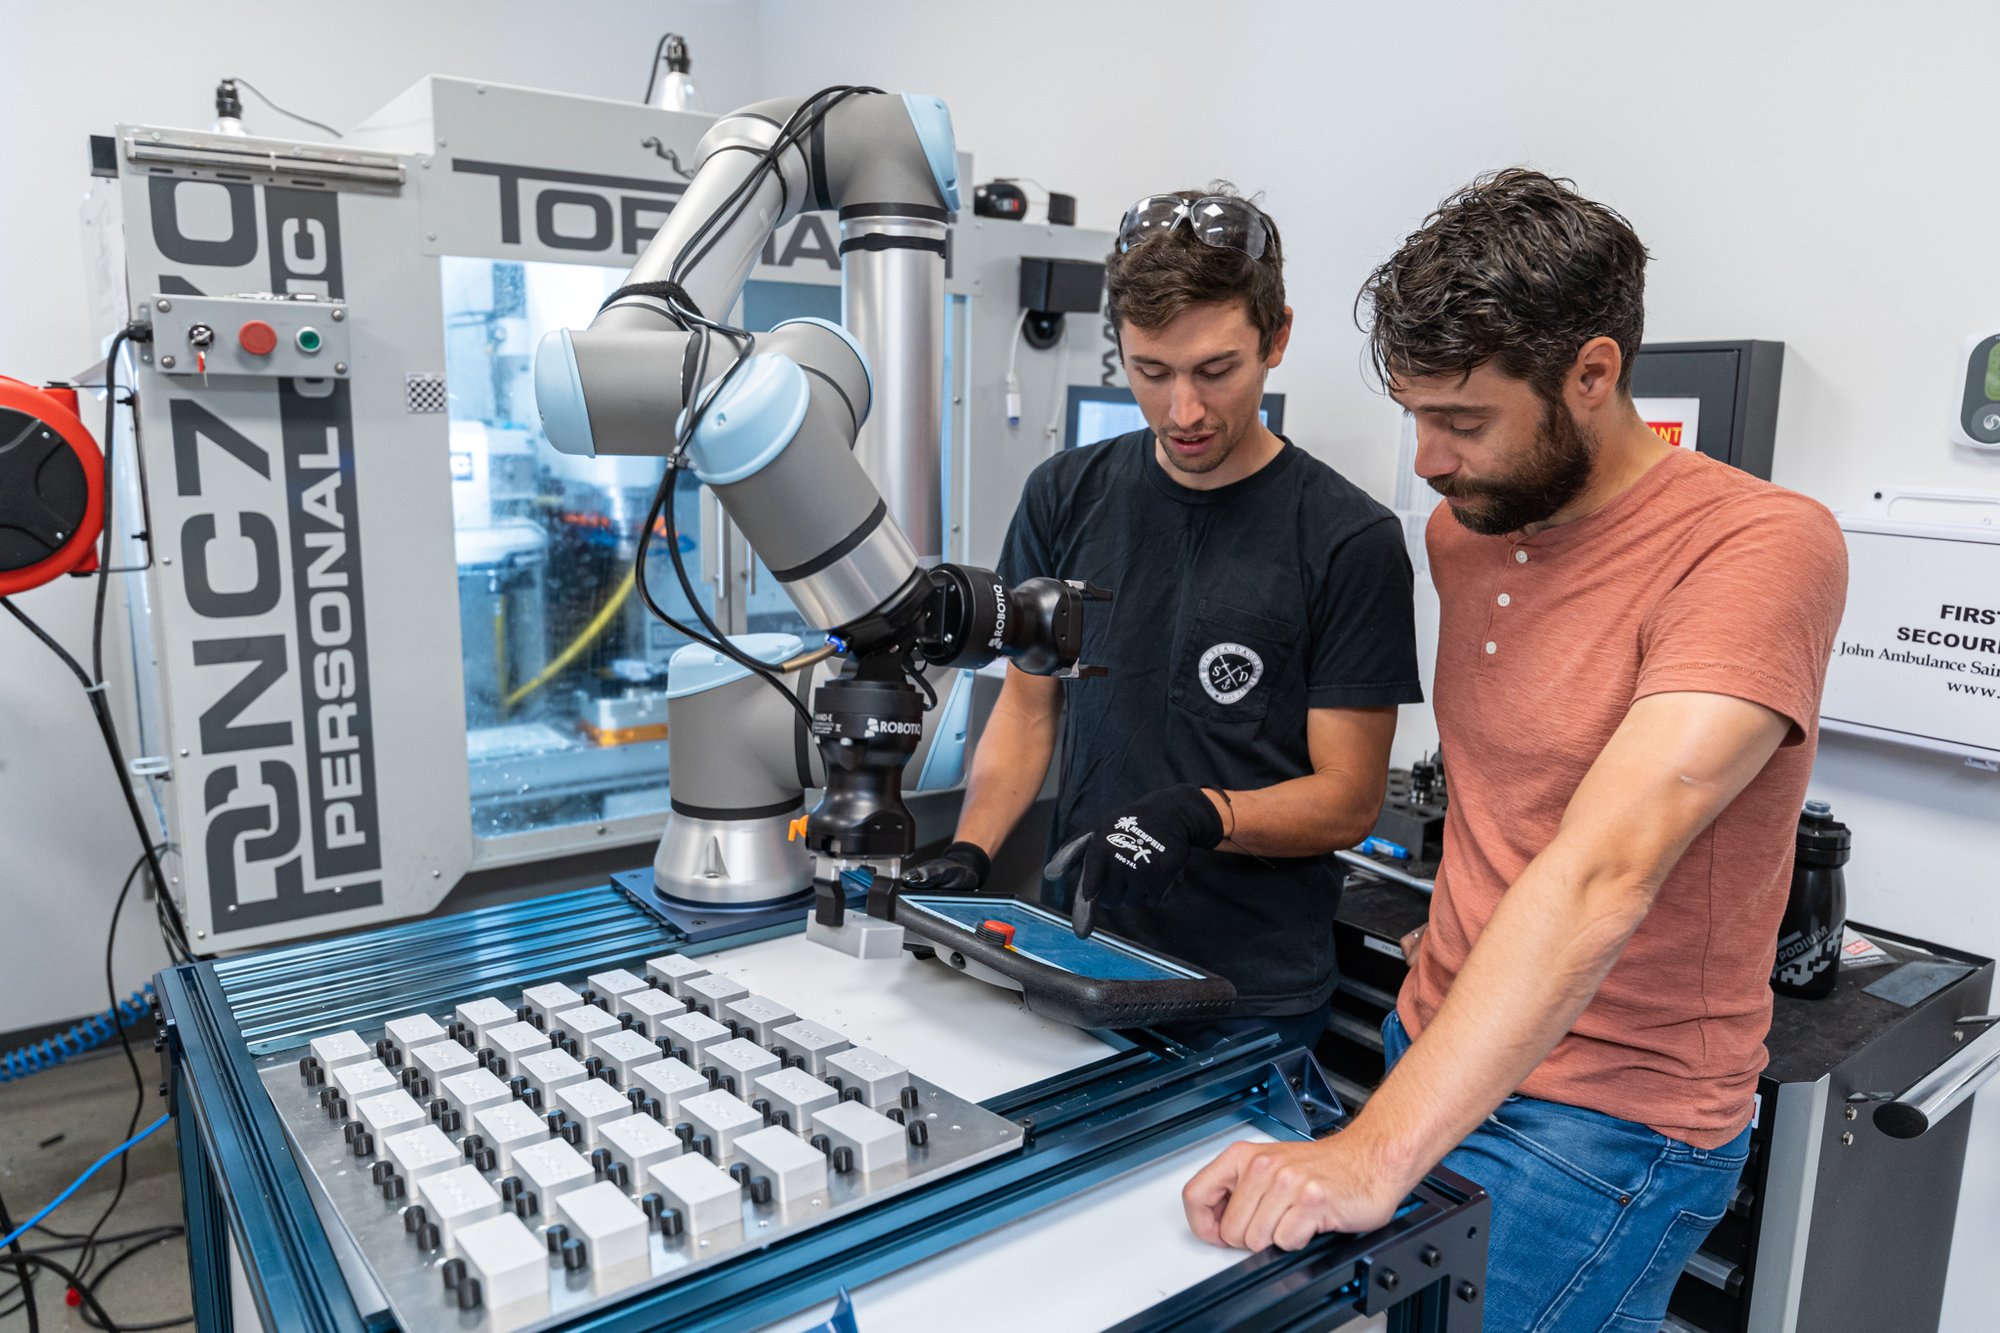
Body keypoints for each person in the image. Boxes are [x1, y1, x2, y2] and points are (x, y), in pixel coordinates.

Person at [1180, 169, 1848, 1332]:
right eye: (1414, 416)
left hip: (1609, 1112)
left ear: (1591, 373)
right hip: (1435, 1038)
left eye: (1463, 421)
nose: (1428, 461)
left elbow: (1602, 867)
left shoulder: (1757, 544)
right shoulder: (1465, 530)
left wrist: (1370, 1151)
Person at [903, 187, 1423, 1051]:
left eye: (1216, 371)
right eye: (1151, 371)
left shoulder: (1347, 540)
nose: (1183, 411)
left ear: (1277, 337)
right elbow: (1030, 715)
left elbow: (1349, 800)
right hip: (1076, 952)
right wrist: (973, 853)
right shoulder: (1064, 496)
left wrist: (1205, 813)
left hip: (1247, 994)